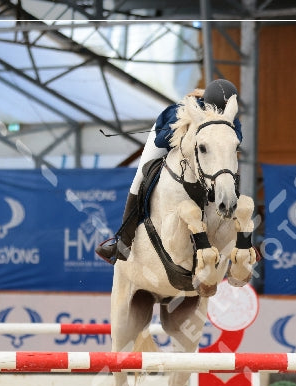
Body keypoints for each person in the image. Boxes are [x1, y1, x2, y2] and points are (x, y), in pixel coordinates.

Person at [96, 79, 243, 264]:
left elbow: (235, 141)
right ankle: (123, 242)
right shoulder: (178, 113)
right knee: (140, 177)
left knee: (228, 174)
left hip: (206, 157)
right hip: (167, 142)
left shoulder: (230, 119)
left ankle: (240, 238)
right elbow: (161, 142)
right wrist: (187, 132)